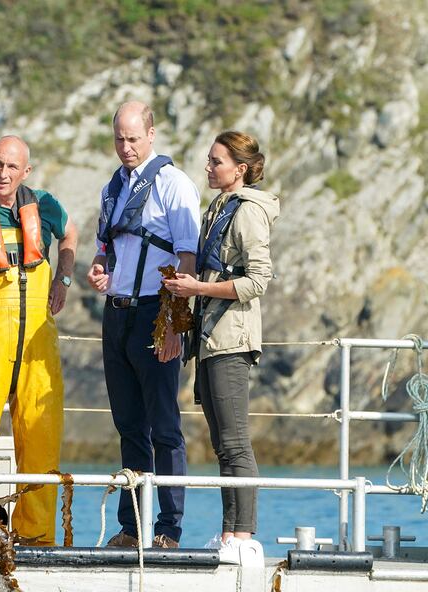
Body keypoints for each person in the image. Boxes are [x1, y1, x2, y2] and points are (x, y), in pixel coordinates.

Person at [86, 101, 200, 549]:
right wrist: (99, 268)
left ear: (152, 134)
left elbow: (187, 259)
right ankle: (132, 526)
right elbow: (105, 249)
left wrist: (175, 325)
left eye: (134, 138)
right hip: (116, 313)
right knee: (128, 423)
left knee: (164, 424)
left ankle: (169, 528)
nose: (126, 147)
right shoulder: (112, 187)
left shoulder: (174, 185)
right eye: (120, 139)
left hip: (158, 310)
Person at [165, 131, 279, 559]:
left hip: (232, 338)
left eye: (217, 162)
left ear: (240, 168)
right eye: (209, 161)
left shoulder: (247, 212)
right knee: (221, 443)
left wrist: (198, 287)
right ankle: (229, 532)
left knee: (235, 441)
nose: (209, 168)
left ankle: (244, 535)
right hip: (211, 336)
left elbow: (258, 280)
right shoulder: (218, 208)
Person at [0, 135, 78, 546]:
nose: (3, 173)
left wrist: (64, 279)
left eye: (12, 167)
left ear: (26, 171)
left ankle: (36, 535)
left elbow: (70, 234)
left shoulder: (44, 204)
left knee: (41, 435)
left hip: (37, 337)